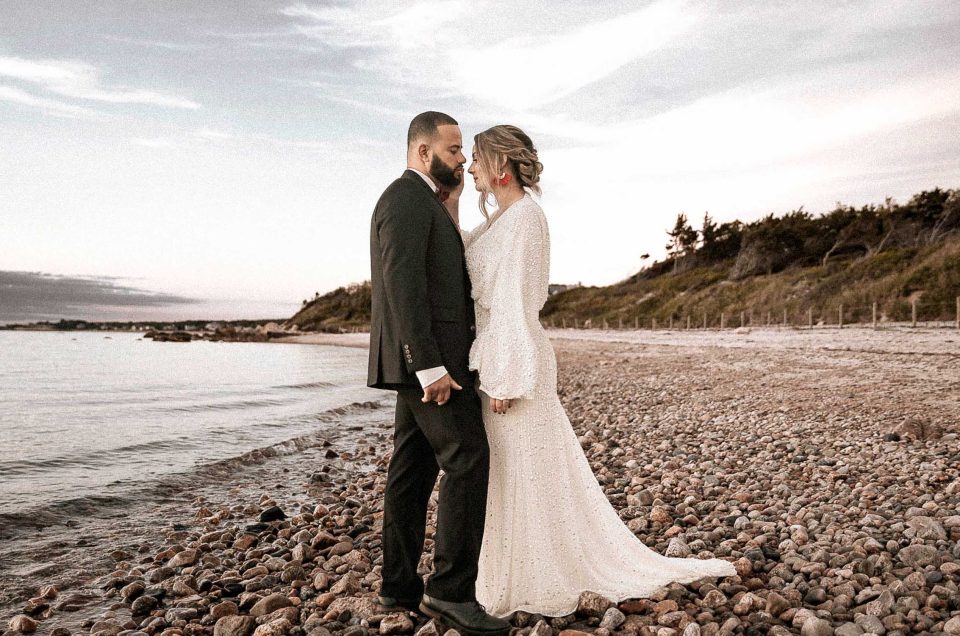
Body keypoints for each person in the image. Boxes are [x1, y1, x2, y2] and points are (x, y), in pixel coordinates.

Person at [459, 124, 738, 618]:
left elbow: (515, 304)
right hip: (500, 360)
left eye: (476, 159)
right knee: (511, 471)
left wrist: (503, 377)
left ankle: (543, 570)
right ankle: (511, 563)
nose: (470, 166)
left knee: (526, 470)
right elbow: (471, 254)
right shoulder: (502, 220)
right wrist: (447, 200)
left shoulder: (525, 218)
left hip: (513, 367)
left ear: (500, 165)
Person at [367, 111, 510, 636]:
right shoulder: (405, 199)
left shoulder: (428, 202)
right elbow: (403, 285)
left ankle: (397, 588)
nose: (463, 159)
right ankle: (450, 593)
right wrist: (430, 368)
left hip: (421, 362)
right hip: (428, 364)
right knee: (469, 459)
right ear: (423, 152)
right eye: (453, 150)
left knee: (411, 472)